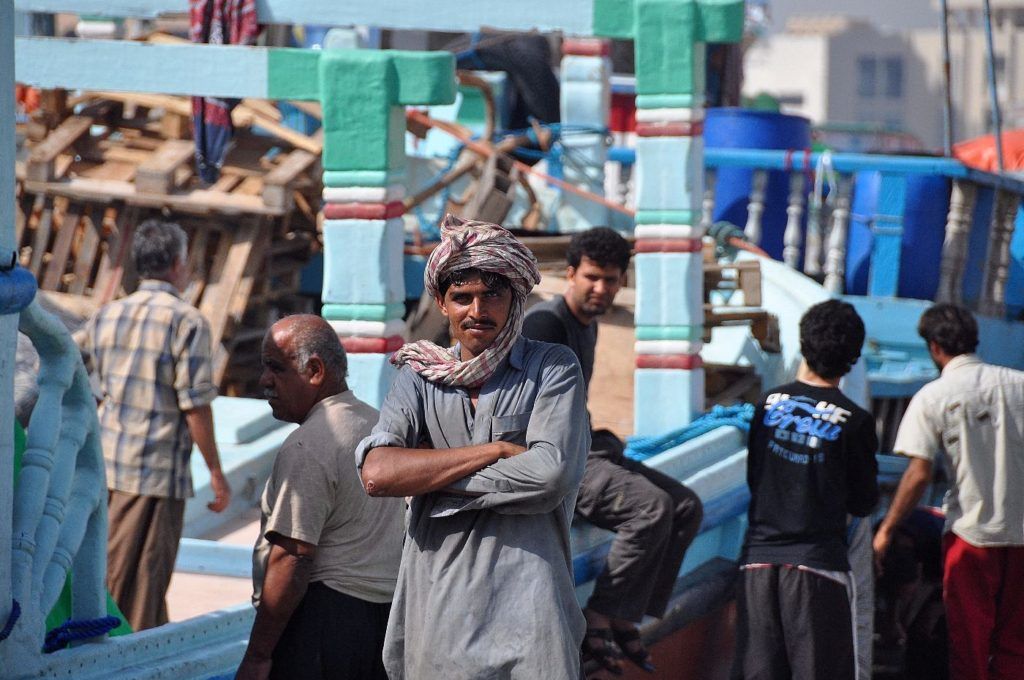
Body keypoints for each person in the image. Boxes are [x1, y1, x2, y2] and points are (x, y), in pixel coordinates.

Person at [355, 214, 590, 680]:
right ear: (441, 303)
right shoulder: (419, 378)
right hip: (440, 615)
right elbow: (378, 473)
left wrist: (426, 476)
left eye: (492, 295)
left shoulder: (553, 367)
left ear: (515, 298)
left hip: (533, 611)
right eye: (462, 297)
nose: (477, 310)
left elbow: (551, 474)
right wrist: (496, 451)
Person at [522, 227, 703, 675]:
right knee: (652, 508)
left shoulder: (588, 325)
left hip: (587, 447)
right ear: (570, 274)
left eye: (611, 279)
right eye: (592, 277)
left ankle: (627, 615)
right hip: (557, 458)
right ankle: (600, 614)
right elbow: (528, 409)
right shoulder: (546, 324)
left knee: (686, 507)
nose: (601, 288)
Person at [76, 218, 231, 631]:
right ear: (178, 264)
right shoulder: (187, 321)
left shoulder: (107, 314)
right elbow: (195, 406)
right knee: (143, 584)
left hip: (107, 464)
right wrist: (216, 473)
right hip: (155, 475)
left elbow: (77, 378)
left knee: (107, 571)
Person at [237, 315, 404, 680]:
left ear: (314, 371)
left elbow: (292, 558)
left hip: (324, 625)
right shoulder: (378, 425)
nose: (264, 380)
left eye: (276, 368)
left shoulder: (307, 446)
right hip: (383, 628)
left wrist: (258, 656)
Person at [873, 303, 1024, 680]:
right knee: (1015, 645)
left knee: (968, 644)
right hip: (1022, 535)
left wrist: (887, 529)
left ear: (935, 347)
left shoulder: (934, 396)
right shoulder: (1019, 384)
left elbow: (918, 473)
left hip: (971, 537)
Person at [733, 299, 879, 680]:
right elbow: (863, 503)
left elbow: (755, 477)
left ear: (804, 344)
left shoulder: (767, 405)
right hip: (818, 570)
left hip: (757, 563)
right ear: (852, 359)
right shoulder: (857, 422)